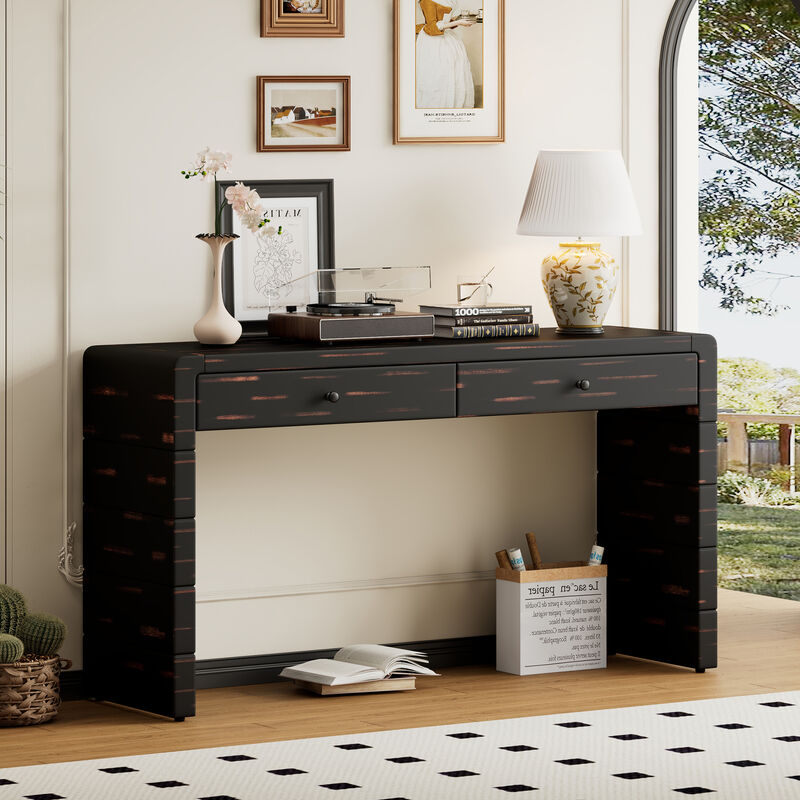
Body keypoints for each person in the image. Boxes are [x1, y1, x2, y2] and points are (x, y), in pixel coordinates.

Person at [415, 1, 476, 109]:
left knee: (454, 70)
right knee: (437, 73)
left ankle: (453, 101)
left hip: (448, 38)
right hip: (433, 40)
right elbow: (432, 28)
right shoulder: (426, 1)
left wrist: (460, 19)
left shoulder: (450, 1)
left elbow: (446, 23)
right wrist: (459, 22)